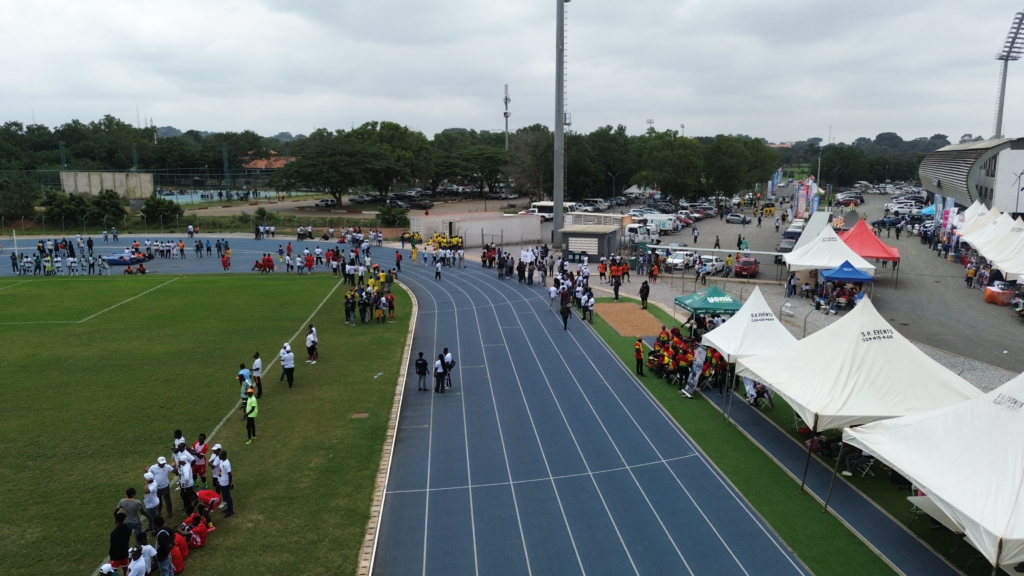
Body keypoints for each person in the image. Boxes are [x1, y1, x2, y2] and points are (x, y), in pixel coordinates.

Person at [216, 450, 233, 516]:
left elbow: (230, 475)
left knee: (228, 497)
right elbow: (220, 470)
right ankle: (228, 509)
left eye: (220, 455)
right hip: (221, 482)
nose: (219, 456)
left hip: (225, 483)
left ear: (223, 455)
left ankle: (230, 511)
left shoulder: (226, 464)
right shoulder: (221, 461)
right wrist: (218, 479)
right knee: (225, 496)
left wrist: (230, 484)